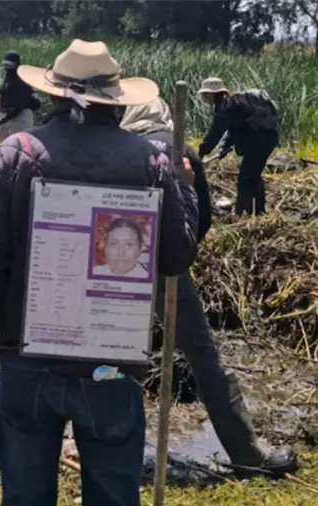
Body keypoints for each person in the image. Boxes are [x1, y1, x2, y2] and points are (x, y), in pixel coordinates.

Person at [0, 40, 199, 506]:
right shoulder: (152, 164)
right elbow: (177, 259)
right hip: (111, 365)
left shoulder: (17, 154)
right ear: (115, 101)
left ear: (56, 96)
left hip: (28, 363)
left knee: (25, 503)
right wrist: (188, 191)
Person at [121, 96, 298, 477]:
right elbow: (201, 221)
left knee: (115, 354)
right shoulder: (180, 149)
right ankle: (248, 454)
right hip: (169, 268)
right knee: (202, 356)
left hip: (115, 268)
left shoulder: (119, 149)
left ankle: (104, 447)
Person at [197, 77, 280, 216]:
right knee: (252, 175)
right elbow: (234, 128)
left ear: (214, 93)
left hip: (259, 141)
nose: (204, 97)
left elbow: (215, 132)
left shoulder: (227, 106)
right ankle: (258, 212)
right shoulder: (234, 102)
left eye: (206, 94)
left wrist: (201, 152)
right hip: (267, 138)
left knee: (246, 178)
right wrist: (225, 146)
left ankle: (242, 213)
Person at [0, 51, 41, 140]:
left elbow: (20, 105)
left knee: (20, 146)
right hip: (6, 117)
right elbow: (4, 92)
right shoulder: (8, 78)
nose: (7, 68)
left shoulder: (22, 81)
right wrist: (1, 97)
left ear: (16, 65)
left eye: (9, 65)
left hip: (20, 118)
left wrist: (2, 121)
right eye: (5, 65)